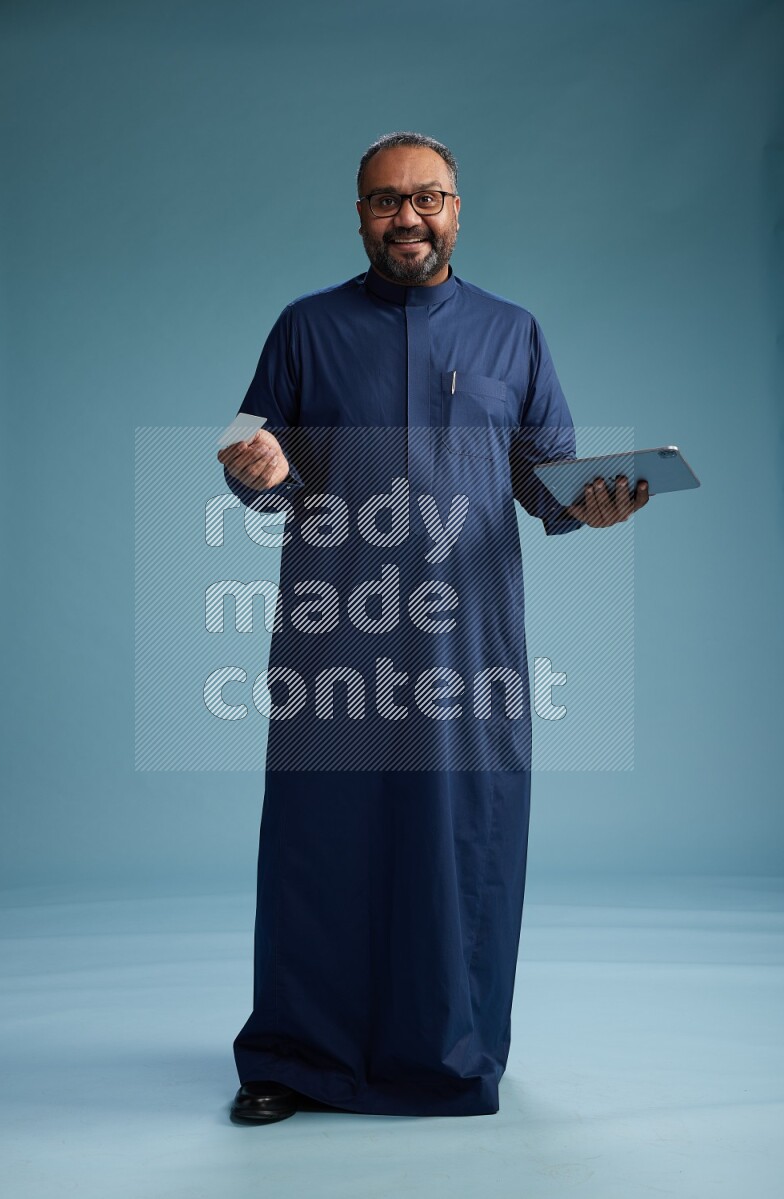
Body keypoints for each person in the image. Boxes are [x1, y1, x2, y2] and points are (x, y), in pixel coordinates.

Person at [217, 132, 649, 1125]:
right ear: (358, 214)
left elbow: (546, 482)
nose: (405, 217)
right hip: (335, 634)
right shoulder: (305, 328)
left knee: (460, 839)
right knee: (317, 845)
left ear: (457, 209)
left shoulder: (512, 334)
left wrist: (590, 505)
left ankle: (450, 1054)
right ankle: (293, 1053)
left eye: (426, 198)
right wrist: (262, 469)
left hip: (466, 644)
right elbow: (255, 447)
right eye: (383, 201)